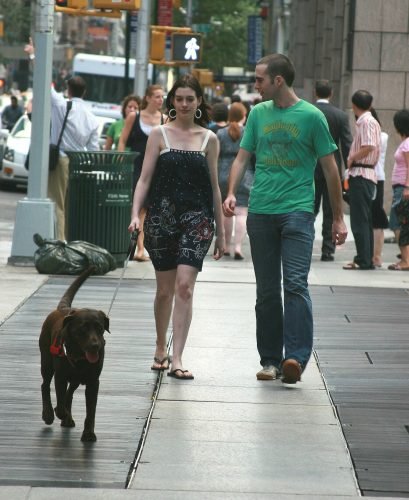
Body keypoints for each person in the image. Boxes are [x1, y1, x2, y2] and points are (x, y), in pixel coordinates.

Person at [223, 53, 347, 384]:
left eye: (259, 79)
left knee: (294, 283)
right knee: (266, 291)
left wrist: (336, 217)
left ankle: (295, 357)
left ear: (278, 80)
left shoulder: (311, 116)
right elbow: (242, 157)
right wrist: (231, 191)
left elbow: (330, 168)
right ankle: (270, 360)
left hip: (298, 210)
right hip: (261, 210)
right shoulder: (258, 114)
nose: (255, 85)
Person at [128, 74, 225, 380]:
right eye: (179, 99)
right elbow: (144, 179)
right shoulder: (159, 134)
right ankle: (160, 346)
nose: (184, 104)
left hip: (197, 220)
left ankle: (178, 356)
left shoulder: (209, 139)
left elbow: (214, 188)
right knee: (164, 291)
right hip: (161, 218)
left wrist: (221, 232)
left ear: (199, 103)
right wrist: (135, 215)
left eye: (190, 99)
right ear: (172, 101)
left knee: (185, 287)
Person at [24, 39, 99, 241]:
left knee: (58, 203)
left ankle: (60, 242)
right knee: (72, 205)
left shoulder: (60, 105)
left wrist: (33, 55)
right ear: (85, 92)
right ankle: (73, 239)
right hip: (80, 164)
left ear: (68, 90)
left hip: (61, 161)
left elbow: (43, 79)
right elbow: (93, 148)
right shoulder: (92, 118)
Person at [118, 84, 164, 262]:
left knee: (151, 208)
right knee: (141, 207)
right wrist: (122, 161)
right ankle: (140, 248)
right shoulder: (134, 117)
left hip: (157, 167)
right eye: (157, 96)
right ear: (148, 98)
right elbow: (122, 140)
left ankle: (141, 247)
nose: (160, 100)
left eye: (162, 97)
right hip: (137, 166)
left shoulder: (164, 118)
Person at [313, 79, 352, 261]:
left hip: (310, 167)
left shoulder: (308, 112)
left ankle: (305, 244)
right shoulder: (341, 116)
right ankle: (328, 250)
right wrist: (348, 170)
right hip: (332, 168)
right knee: (330, 210)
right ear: (331, 93)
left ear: (315, 93)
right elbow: (346, 144)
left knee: (308, 209)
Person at [343, 90, 381, 270]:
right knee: (364, 219)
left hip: (362, 174)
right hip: (364, 174)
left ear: (354, 105)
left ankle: (363, 259)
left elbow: (369, 146)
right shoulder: (369, 120)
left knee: (360, 220)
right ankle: (365, 258)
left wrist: (352, 158)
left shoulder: (366, 122)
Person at [217, 102, 254, 259]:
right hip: (244, 173)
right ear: (243, 116)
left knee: (227, 212)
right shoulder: (248, 132)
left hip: (224, 173)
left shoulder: (220, 133)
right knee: (241, 212)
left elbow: (215, 155)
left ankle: (225, 245)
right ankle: (238, 247)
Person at [388, 109, 409, 271]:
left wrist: (407, 187)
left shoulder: (407, 143)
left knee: (398, 222)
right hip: (400, 187)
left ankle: (405, 260)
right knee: (400, 222)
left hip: (403, 188)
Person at [370, 108, 389, 268]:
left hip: (375, 178)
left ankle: (376, 256)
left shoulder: (381, 136)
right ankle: (372, 255)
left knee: (376, 218)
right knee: (370, 218)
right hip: (373, 177)